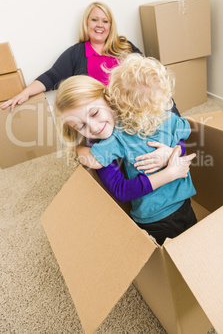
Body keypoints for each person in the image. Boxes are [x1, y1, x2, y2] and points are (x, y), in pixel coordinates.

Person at [54, 54, 197, 245]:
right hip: (156, 218)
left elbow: (178, 129)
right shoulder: (108, 141)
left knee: (195, 240)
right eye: (80, 126)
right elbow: (119, 188)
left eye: (95, 113)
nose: (94, 128)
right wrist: (79, 149)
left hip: (183, 201)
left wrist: (171, 152)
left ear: (109, 98)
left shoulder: (146, 110)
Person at [1, 1, 142, 111]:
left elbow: (146, 72)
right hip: (97, 121)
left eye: (105, 21)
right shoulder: (76, 53)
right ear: (86, 23)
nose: (100, 25)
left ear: (110, 26)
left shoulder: (125, 46)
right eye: (94, 20)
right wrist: (26, 93)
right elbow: (51, 77)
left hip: (131, 112)